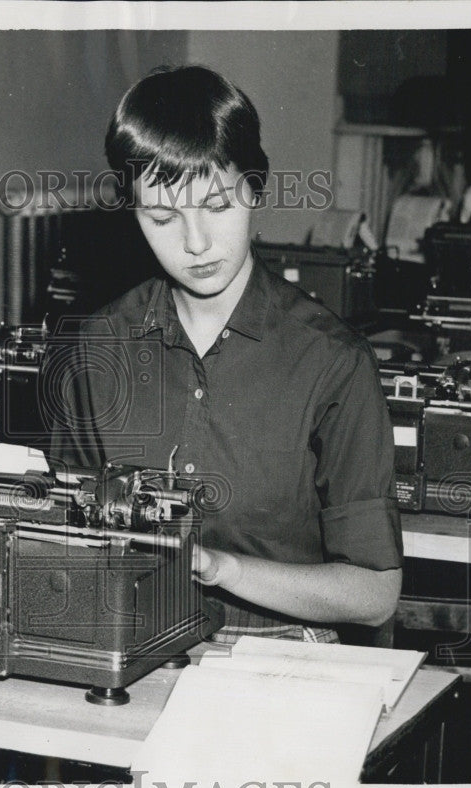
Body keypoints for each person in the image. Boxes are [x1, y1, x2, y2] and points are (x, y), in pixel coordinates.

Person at [48, 66, 402, 644]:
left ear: (255, 188)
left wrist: (223, 569)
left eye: (216, 206)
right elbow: (66, 536)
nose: (194, 242)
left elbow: (374, 594)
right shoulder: (96, 345)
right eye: (161, 217)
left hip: (281, 654)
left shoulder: (333, 362)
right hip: (127, 634)